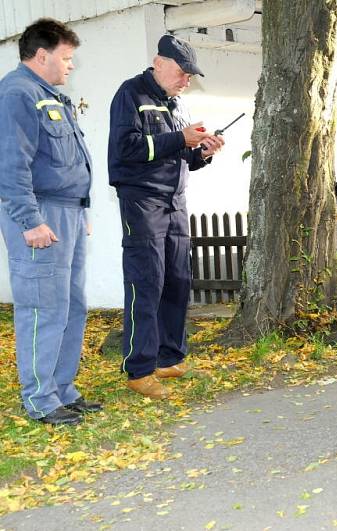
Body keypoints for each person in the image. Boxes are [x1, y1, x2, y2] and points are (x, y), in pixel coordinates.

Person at [108, 35, 225, 399]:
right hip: (142, 202)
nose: (186, 81)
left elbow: (184, 158)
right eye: (182, 73)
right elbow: (125, 149)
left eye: (190, 76)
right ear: (159, 63)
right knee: (147, 282)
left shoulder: (177, 106)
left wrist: (204, 151)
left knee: (177, 280)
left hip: (176, 202)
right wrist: (180, 140)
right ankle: (139, 370)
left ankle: (168, 357)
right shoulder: (130, 94)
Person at [0, 19, 100, 425]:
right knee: (43, 306)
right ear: (42, 56)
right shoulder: (18, 93)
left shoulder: (50, 96)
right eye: (66, 57)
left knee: (71, 305)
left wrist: (82, 210)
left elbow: (65, 161)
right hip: (40, 214)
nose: (70, 66)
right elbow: (11, 166)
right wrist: (30, 220)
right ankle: (40, 398)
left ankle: (62, 389)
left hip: (68, 213)